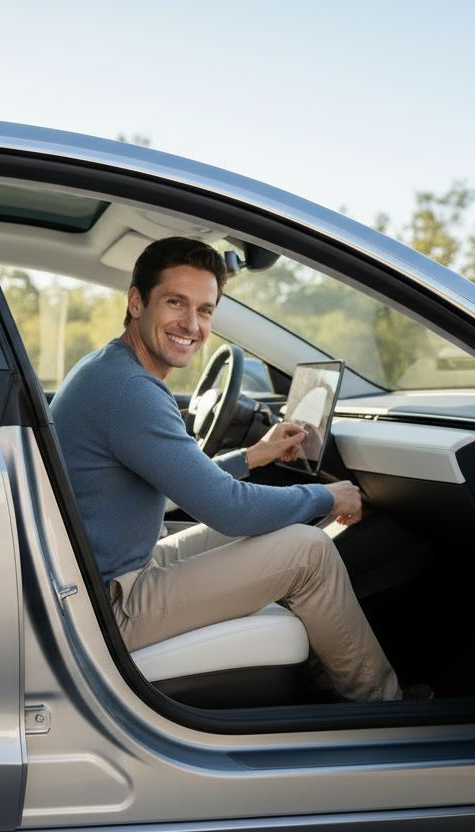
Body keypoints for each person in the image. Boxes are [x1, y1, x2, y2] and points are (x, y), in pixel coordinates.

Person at [51, 237, 417, 702]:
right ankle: (381, 705)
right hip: (109, 605)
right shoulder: (131, 392)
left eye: (205, 310)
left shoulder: (108, 369)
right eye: (175, 303)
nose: (191, 324)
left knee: (280, 535)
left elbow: (172, 483)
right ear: (136, 301)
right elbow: (229, 510)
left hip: (110, 570)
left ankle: (330, 669)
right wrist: (329, 496)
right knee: (309, 551)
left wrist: (253, 456)